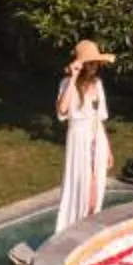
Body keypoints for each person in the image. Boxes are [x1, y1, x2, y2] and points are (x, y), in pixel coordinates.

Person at [55, 39, 114, 231]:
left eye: (95, 62)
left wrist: (108, 149)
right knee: (82, 187)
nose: (93, 66)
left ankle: (89, 227)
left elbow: (100, 118)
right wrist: (72, 78)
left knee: (97, 187)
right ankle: (71, 228)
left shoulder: (98, 84)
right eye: (90, 63)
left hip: (97, 136)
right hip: (78, 138)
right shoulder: (66, 84)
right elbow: (62, 110)